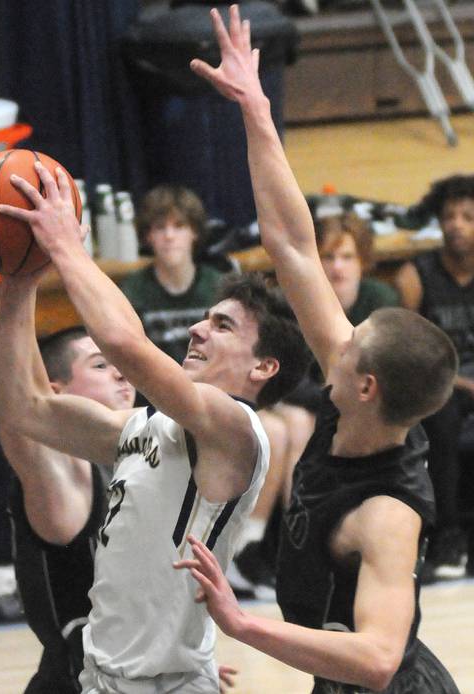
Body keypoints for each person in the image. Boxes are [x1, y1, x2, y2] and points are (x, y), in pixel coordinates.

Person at [175, 7, 460, 693]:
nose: (338, 334)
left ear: (366, 386)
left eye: (352, 343)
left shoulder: (386, 515)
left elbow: (377, 660)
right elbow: (293, 245)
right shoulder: (359, 398)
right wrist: (256, 109)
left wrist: (242, 625)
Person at [0, 161, 309, 690]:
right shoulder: (141, 427)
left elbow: (125, 345)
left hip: (167, 684)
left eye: (221, 325)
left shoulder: (238, 430)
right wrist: (20, 281)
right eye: (205, 317)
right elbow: (21, 408)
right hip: (104, 677)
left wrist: (66, 246)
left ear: (263, 367)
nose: (196, 328)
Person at [228, 212, 401, 598]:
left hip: (356, 405)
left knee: (304, 421)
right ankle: (281, 544)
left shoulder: (381, 300)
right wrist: (336, 397)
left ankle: (301, 546)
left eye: (346, 257)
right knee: (295, 423)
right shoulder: (294, 300)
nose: (337, 267)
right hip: (296, 399)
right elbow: (287, 376)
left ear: (363, 262)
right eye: (327, 257)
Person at [393, 174, 474, 581]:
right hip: (440, 383)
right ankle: (447, 538)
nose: (456, 224)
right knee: (440, 418)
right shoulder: (416, 274)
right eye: (449, 216)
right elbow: (409, 348)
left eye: (467, 216)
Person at [121, 184, 227, 365]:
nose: (169, 236)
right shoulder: (132, 290)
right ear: (148, 236)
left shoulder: (219, 285)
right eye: (160, 228)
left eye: (179, 226)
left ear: (194, 232)